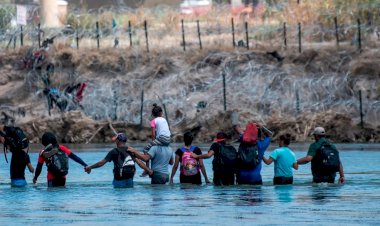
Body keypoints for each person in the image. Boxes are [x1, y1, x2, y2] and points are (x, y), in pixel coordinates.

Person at [85, 133, 153, 188]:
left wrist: (90, 167)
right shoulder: (131, 150)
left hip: (118, 180)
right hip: (129, 178)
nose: (115, 141)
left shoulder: (114, 151)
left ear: (118, 141)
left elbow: (101, 163)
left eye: (116, 139)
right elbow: (140, 163)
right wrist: (149, 170)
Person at [141, 103, 171, 177]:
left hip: (161, 139)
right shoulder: (164, 119)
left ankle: (146, 169)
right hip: (169, 139)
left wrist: (153, 144)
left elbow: (153, 134)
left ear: (153, 114)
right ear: (161, 113)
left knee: (145, 149)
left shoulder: (153, 121)